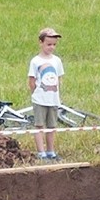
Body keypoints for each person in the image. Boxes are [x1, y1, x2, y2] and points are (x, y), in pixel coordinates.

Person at [28, 28, 65, 161]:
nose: (51, 47)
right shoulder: (35, 61)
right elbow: (31, 81)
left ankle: (51, 151)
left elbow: (59, 79)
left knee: (52, 126)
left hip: (53, 99)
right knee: (39, 125)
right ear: (41, 43)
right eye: (48, 44)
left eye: (54, 44)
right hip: (40, 99)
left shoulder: (57, 61)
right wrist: (36, 94)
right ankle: (41, 152)